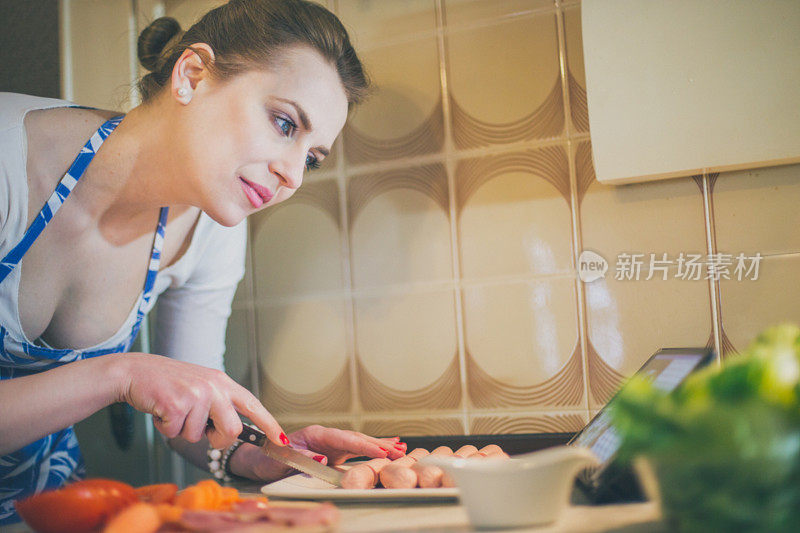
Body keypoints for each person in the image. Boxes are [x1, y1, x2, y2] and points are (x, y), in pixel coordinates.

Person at [0, 0, 406, 524]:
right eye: (284, 123)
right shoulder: (8, 158)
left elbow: (196, 417)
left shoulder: (211, 228)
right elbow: (128, 377)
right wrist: (119, 375)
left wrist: (254, 455)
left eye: (310, 157)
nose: (293, 177)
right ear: (192, 74)